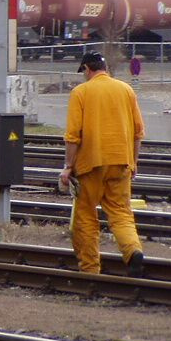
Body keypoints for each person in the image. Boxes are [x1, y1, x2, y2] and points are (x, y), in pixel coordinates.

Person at [60, 51, 145, 277]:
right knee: (121, 213)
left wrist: (68, 166)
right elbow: (138, 133)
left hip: (91, 165)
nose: (84, 76)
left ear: (87, 69)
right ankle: (133, 251)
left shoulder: (81, 92)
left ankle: (90, 270)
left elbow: (72, 136)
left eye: (84, 72)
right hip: (122, 162)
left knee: (86, 217)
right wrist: (133, 163)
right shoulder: (126, 90)